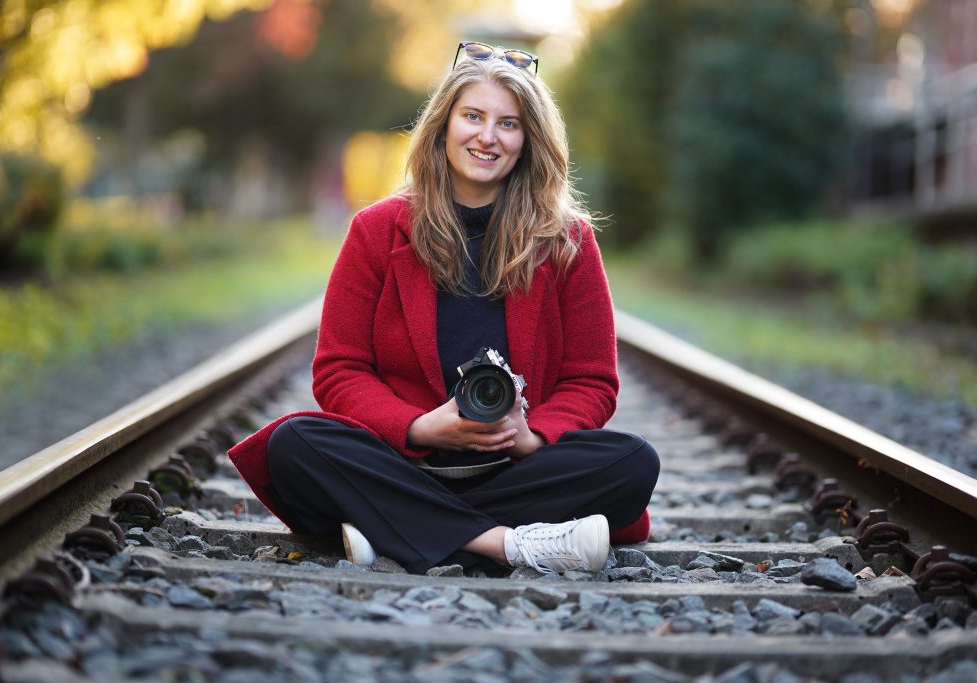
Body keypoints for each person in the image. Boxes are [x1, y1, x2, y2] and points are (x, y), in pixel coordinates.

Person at [228, 41, 660, 575]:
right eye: (473, 116)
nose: (487, 136)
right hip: (403, 462)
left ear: (529, 141)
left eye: (508, 124)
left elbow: (592, 381)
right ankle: (511, 544)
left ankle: (391, 530)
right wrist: (420, 428)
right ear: (443, 125)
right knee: (294, 443)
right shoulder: (377, 230)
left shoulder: (566, 239)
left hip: (517, 468)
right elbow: (339, 371)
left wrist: (532, 437)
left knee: (632, 461)